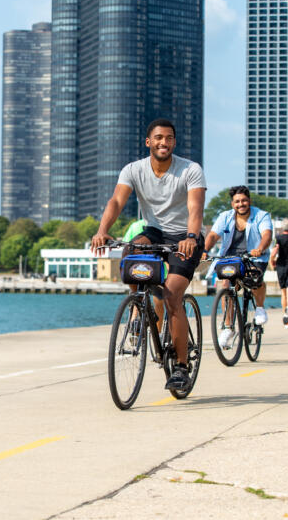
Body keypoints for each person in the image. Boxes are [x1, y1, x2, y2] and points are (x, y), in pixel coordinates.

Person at [92, 118, 206, 391]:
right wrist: (102, 230)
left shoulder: (190, 169)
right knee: (130, 253)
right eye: (158, 138)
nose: (163, 142)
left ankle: (181, 367)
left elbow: (195, 208)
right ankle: (141, 309)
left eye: (169, 138)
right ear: (148, 142)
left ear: (174, 142)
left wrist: (191, 237)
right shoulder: (133, 170)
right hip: (154, 232)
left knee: (172, 296)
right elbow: (116, 200)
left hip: (185, 237)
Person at [203, 186, 272, 348]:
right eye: (237, 201)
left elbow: (267, 235)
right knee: (225, 285)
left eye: (244, 200)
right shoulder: (225, 217)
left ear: (249, 201)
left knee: (254, 279)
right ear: (232, 204)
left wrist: (260, 249)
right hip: (230, 258)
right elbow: (213, 235)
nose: (241, 204)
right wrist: (204, 250)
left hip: (254, 256)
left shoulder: (261, 215)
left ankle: (260, 308)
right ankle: (228, 327)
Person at [269, 218, 288, 328]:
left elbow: (274, 251)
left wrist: (272, 261)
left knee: (283, 292)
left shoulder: (278, 239)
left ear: (282, 227)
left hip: (281, 265)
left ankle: (285, 317)